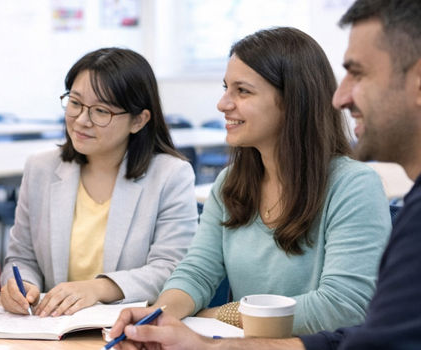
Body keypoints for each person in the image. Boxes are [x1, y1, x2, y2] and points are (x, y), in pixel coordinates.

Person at [109, 0, 421, 348]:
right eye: (225, 88)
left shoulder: (352, 185)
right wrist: (157, 316)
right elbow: (196, 272)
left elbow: (344, 306)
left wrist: (223, 315)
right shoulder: (230, 184)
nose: (223, 103)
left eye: (242, 91)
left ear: (293, 101)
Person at [0, 47, 198, 317]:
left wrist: (97, 288)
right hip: (50, 329)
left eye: (101, 111)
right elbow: (21, 257)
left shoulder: (170, 175)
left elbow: (172, 269)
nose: (82, 120)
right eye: (75, 103)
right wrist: (24, 286)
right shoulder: (41, 168)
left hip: (128, 331)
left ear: (139, 120)